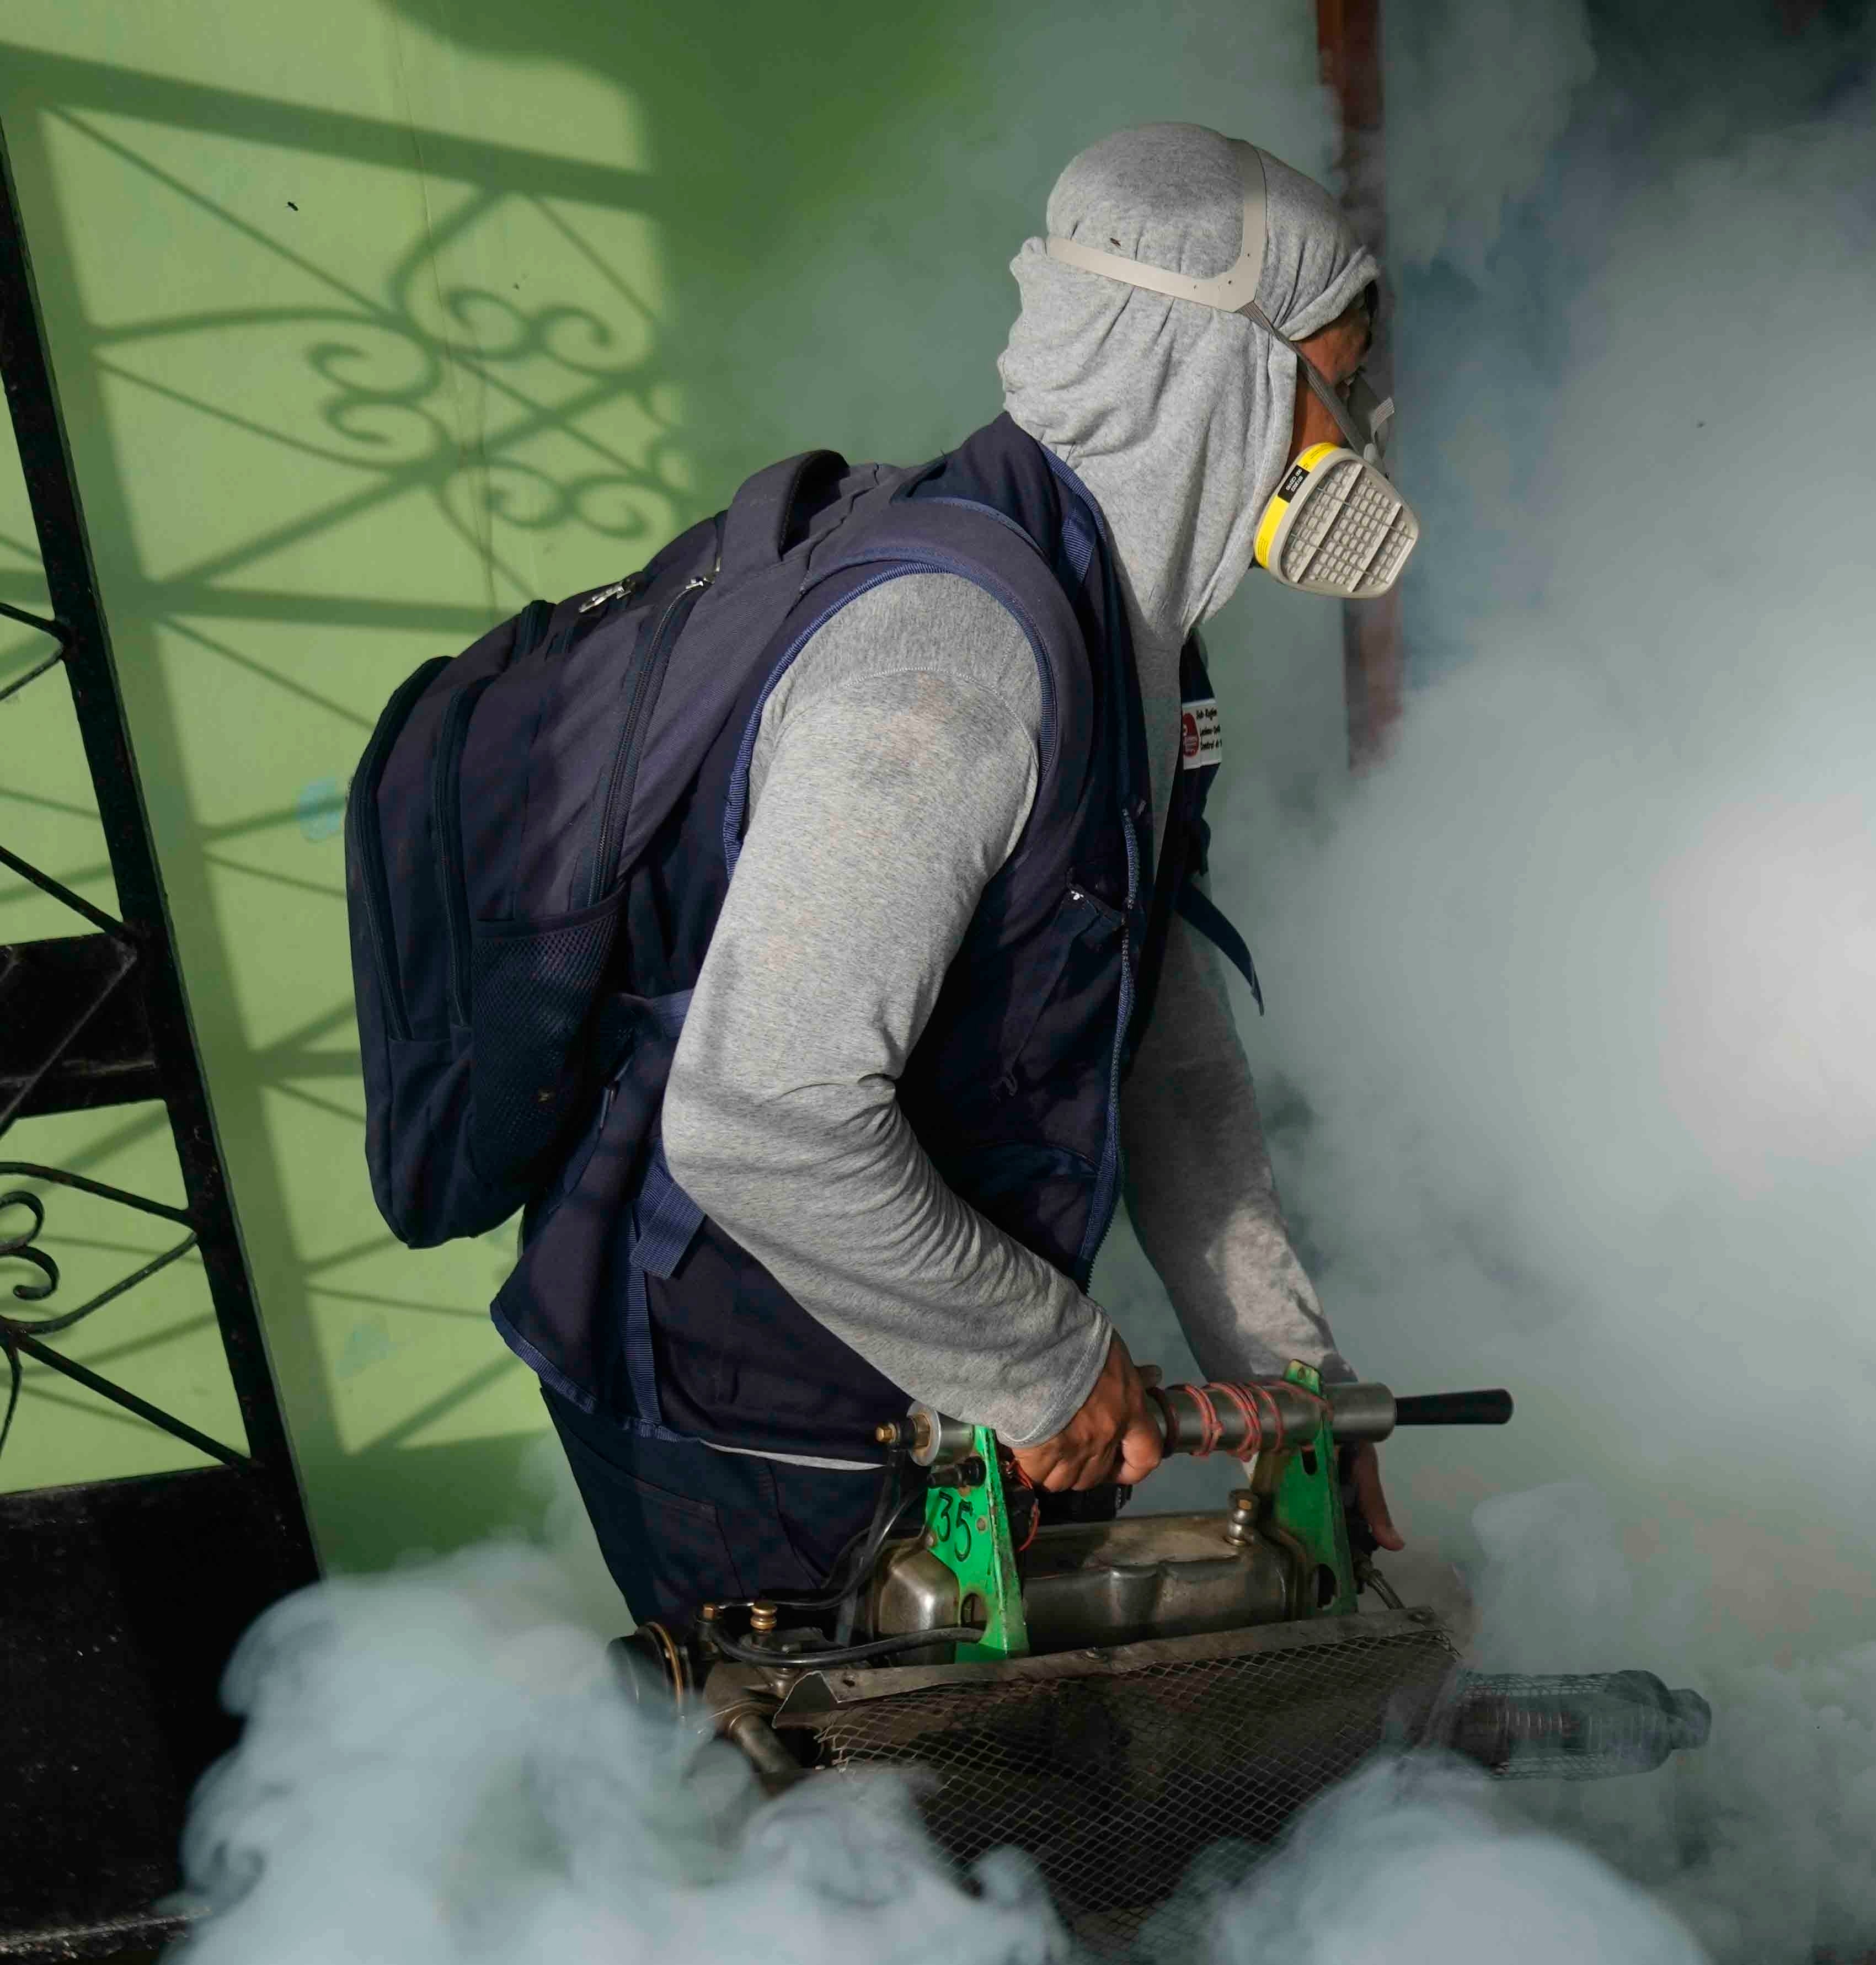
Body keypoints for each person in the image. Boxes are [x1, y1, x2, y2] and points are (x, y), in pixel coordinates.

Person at [496, 125, 1409, 1627]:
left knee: (1022, 1817)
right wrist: (1041, 1361)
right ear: (1209, 374)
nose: (1353, 430)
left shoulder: (1126, 639)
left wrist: (1295, 1385)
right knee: (846, 1841)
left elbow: (1158, 1046)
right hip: (754, 1410)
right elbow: (758, 1121)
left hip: (926, 1365)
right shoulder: (951, 674)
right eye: (1332, 374)